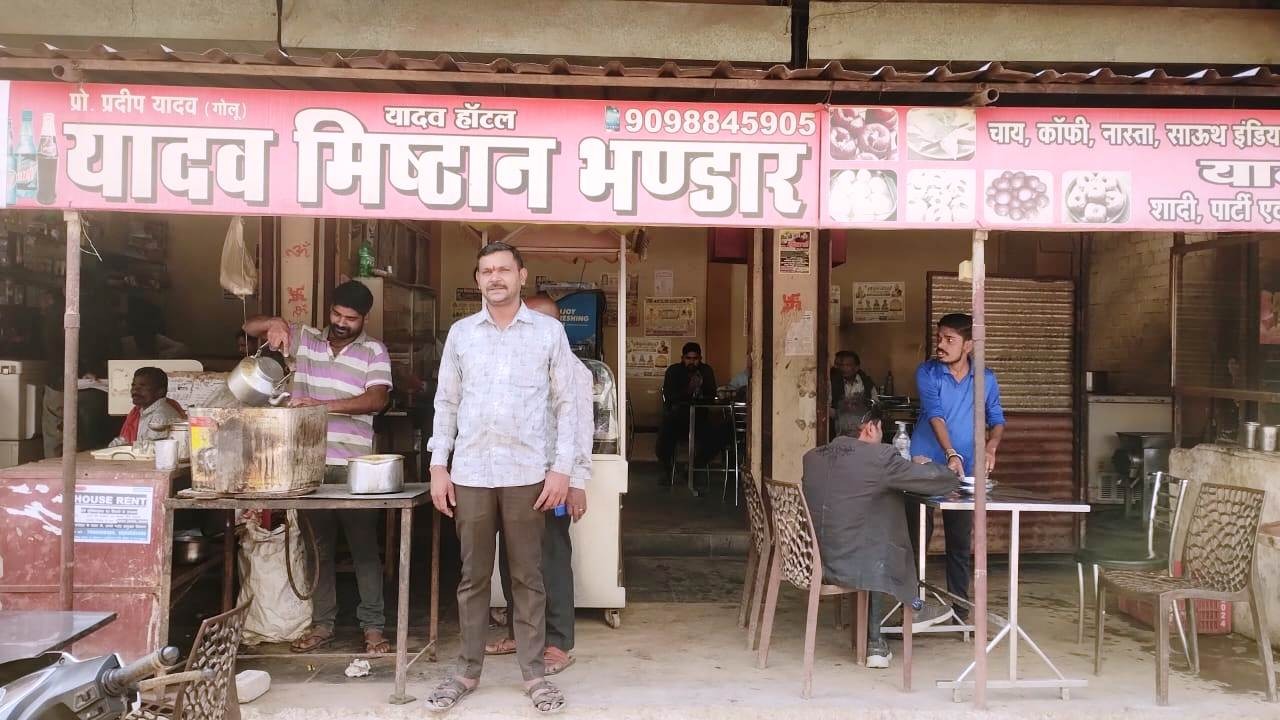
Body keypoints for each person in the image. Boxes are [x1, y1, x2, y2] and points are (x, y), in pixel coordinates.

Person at [426, 242, 577, 714]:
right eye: (487, 271)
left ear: (521, 276)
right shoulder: (462, 334)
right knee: (472, 577)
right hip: (471, 470)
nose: (495, 278)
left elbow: (567, 405)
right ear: (478, 280)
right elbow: (446, 403)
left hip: (527, 472)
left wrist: (562, 469)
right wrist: (438, 465)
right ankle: (467, 671)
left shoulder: (549, 333)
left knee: (528, 577)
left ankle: (533, 675)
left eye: (504, 270)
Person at [243, 280, 394, 656]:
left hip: (355, 468)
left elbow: (377, 399)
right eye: (336, 314)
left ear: (365, 318)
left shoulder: (374, 350)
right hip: (308, 465)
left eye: (350, 318)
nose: (341, 323)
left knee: (363, 549)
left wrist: (320, 406)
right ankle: (323, 624)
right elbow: (249, 326)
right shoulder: (305, 339)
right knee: (317, 549)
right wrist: (274, 322)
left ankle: (373, 627)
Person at [802, 401, 959, 668]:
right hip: (860, 564)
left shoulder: (812, 457)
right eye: (880, 427)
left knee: (877, 510)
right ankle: (909, 609)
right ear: (870, 428)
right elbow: (934, 481)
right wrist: (945, 469)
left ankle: (884, 632)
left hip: (813, 560)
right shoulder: (880, 457)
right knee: (887, 522)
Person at [487, 293, 593, 676]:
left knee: (551, 559)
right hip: (511, 477)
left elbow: (581, 430)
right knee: (512, 558)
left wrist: (576, 482)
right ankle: (522, 633)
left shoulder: (575, 371)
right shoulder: (514, 364)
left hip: (554, 480)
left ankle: (558, 642)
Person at [908, 313, 1006, 625]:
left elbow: (997, 419)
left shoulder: (985, 378)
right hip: (925, 464)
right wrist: (951, 453)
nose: (941, 345)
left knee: (959, 542)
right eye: (939, 338)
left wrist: (991, 446)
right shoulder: (928, 372)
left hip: (965, 471)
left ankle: (960, 612)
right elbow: (935, 414)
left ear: (968, 345)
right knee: (917, 537)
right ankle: (912, 607)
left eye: (949, 339)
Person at [655, 342, 718, 482]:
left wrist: (701, 391)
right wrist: (689, 389)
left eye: (695, 359)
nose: (691, 362)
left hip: (700, 417)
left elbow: (712, 395)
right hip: (678, 417)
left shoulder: (706, 371)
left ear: (700, 358)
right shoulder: (674, 371)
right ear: (682, 358)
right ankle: (667, 470)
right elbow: (670, 396)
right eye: (688, 358)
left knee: (715, 438)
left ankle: (694, 468)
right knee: (665, 433)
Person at [107, 367, 186, 448]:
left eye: (142, 386)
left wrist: (120, 447)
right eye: (133, 385)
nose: (135, 390)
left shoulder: (161, 416)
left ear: (160, 391)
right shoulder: (142, 411)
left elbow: (150, 449)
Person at [120, 297, 190, 359]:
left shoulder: (154, 336)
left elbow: (183, 348)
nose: (123, 323)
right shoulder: (126, 341)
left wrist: (159, 356)